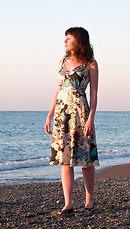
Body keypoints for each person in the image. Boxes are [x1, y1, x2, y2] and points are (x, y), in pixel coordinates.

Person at [44, 27, 99, 215]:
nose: (65, 41)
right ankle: (68, 204)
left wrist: (91, 118)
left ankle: (89, 201)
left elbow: (94, 94)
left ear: (79, 40)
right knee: (65, 160)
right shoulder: (61, 62)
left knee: (86, 159)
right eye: (64, 38)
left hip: (81, 113)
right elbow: (58, 90)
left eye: (69, 38)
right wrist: (50, 115)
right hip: (62, 115)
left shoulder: (90, 64)